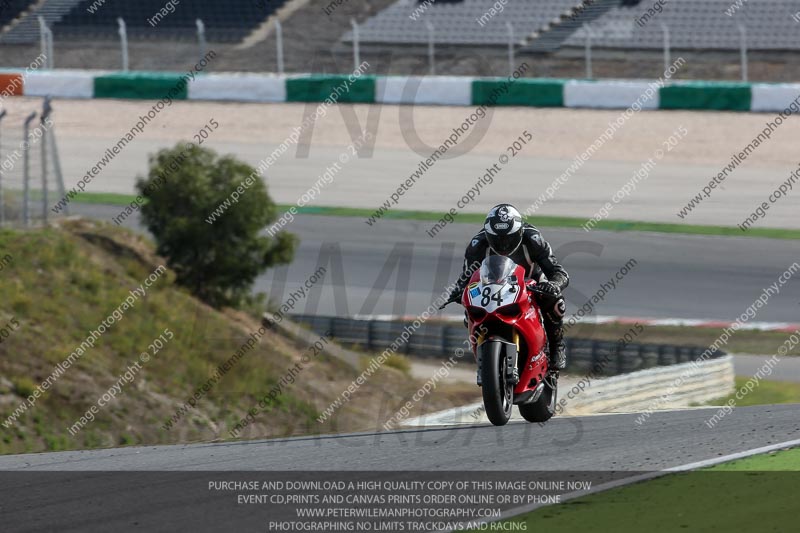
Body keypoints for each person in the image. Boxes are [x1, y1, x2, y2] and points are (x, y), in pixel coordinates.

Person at [445, 204, 569, 370]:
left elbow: (558, 271)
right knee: (469, 312)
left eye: (508, 238)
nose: (503, 245)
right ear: (488, 235)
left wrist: (553, 285)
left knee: (556, 302)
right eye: (497, 239)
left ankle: (556, 346)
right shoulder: (477, 246)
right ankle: (483, 357)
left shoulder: (533, 239)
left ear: (519, 232)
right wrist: (459, 291)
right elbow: (467, 278)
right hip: (492, 285)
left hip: (530, 282)